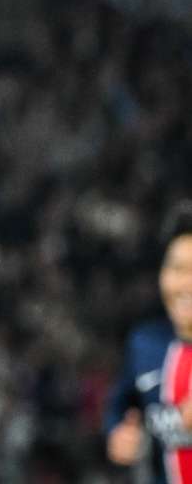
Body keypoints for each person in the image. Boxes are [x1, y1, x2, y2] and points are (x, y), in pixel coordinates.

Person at [105, 202, 192, 483]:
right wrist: (118, 434)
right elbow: (118, 409)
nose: (186, 284)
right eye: (177, 268)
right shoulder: (145, 345)